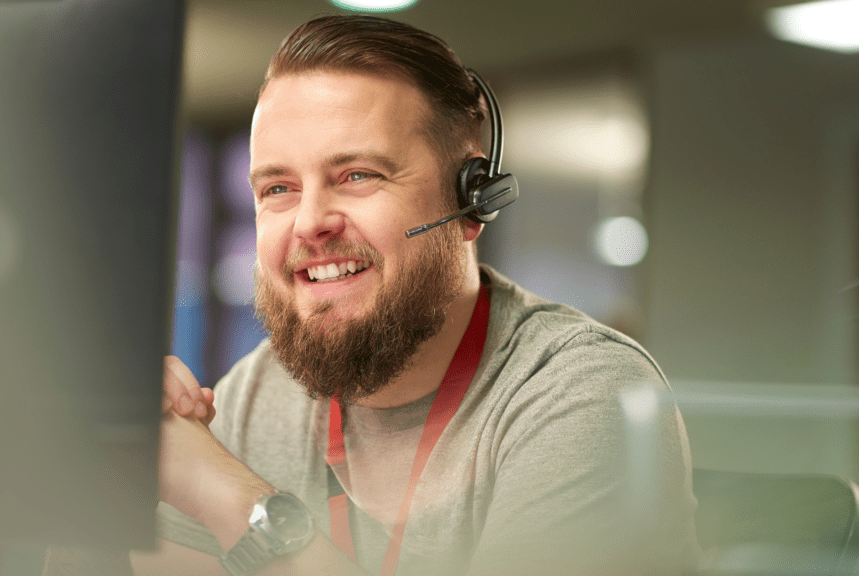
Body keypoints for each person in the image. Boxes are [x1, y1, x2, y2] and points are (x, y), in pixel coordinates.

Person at [46, 14, 699, 576]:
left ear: (470, 201)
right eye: (277, 188)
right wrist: (102, 456)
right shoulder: (254, 395)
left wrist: (226, 495)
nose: (309, 222)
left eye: (356, 175)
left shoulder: (582, 394)